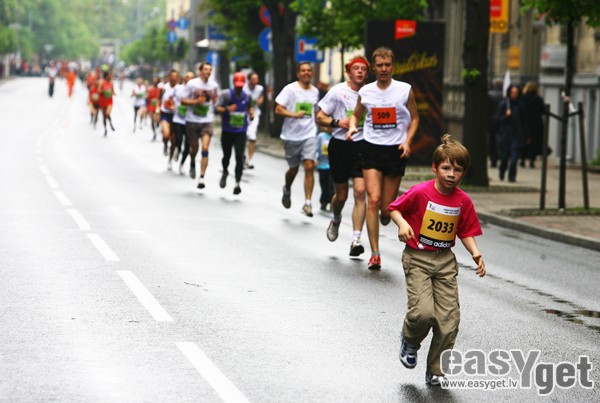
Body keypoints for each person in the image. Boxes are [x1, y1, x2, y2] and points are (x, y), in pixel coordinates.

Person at [388, 134, 486, 386]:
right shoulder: (420, 192)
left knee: (449, 319)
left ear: (463, 172)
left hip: (444, 261)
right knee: (423, 313)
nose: (451, 174)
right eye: (446, 168)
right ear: (435, 168)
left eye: (457, 170)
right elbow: (395, 208)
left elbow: (466, 231)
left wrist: (475, 253)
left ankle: (436, 369)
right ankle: (410, 340)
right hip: (417, 258)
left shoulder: (463, 200)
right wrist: (402, 224)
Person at [346, 47, 419, 270]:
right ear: (374, 68)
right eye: (380, 65)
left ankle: (384, 216)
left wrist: (407, 142)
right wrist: (352, 127)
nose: (384, 69)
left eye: (387, 65)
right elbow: (356, 115)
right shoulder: (366, 91)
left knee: (387, 209)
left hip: (395, 150)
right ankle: (375, 254)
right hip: (371, 148)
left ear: (393, 66)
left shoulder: (404, 90)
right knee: (373, 199)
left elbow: (415, 119)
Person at [317, 55, 369, 257]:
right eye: (356, 68)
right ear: (348, 72)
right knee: (341, 196)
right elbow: (319, 116)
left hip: (362, 146)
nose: (359, 71)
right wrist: (338, 123)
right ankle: (336, 218)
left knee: (360, 192)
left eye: (363, 69)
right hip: (339, 145)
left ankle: (356, 239)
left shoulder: (371, 93)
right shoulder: (337, 91)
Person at [275, 62, 320, 217]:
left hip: (309, 134)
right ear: (298, 74)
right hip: (291, 136)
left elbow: (315, 112)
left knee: (309, 166)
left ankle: (308, 203)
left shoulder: (315, 91)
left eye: (309, 70)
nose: (306, 73)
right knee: (293, 169)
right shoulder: (290, 89)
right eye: (303, 70)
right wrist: (294, 114)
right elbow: (278, 109)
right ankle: (287, 188)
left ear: (311, 73)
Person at [215, 72, 254, 195]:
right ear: (233, 84)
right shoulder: (226, 95)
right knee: (226, 156)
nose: (239, 88)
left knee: (239, 157)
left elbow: (250, 107)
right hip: (227, 131)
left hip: (240, 131)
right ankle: (225, 171)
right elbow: (216, 108)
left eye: (241, 86)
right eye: (237, 86)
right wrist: (227, 109)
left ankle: (237, 182)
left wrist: (251, 113)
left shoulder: (247, 96)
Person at [181, 62, 219, 188]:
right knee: (194, 148)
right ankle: (192, 162)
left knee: (205, 148)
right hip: (192, 120)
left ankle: (202, 177)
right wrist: (195, 101)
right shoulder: (192, 84)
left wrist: (216, 102)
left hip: (206, 121)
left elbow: (216, 99)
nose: (208, 71)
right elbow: (183, 100)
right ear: (200, 71)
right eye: (206, 69)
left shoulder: (214, 85)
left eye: (210, 69)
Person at [496, 84, 529, 182]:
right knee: (505, 157)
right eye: (512, 92)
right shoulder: (504, 104)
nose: (514, 94)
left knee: (514, 157)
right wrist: (506, 116)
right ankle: (502, 170)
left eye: (516, 92)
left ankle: (512, 176)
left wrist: (527, 134)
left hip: (516, 134)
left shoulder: (520, 105)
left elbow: (524, 121)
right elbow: (498, 119)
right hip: (505, 135)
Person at [171, 71, 195, 175]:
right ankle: (177, 148)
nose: (189, 79)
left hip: (189, 120)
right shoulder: (178, 88)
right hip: (178, 119)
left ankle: (182, 163)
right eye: (187, 77)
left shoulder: (196, 91)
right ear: (184, 79)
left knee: (188, 145)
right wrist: (171, 105)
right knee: (179, 139)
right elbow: (170, 98)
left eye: (191, 78)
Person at [242, 71, 264, 169]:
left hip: (255, 114)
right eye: (254, 79)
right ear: (249, 80)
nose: (256, 80)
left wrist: (260, 100)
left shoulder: (260, 88)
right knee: (243, 136)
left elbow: (261, 97)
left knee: (252, 136)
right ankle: (242, 156)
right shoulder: (243, 88)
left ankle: (250, 160)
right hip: (243, 114)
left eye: (257, 79)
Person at [521, 82, 545, 168]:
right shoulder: (538, 99)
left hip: (525, 122)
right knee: (535, 142)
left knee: (524, 140)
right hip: (536, 123)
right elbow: (543, 110)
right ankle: (532, 160)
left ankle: (522, 159)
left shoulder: (523, 98)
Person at [160, 69, 178, 160]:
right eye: (172, 76)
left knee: (174, 139)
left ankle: (171, 156)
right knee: (166, 134)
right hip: (165, 114)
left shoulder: (180, 88)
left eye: (175, 76)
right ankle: (165, 144)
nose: (173, 78)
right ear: (169, 77)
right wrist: (158, 110)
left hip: (176, 116)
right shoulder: (164, 87)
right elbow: (159, 98)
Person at [315, 126, 334, 211]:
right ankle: (324, 201)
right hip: (322, 165)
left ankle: (332, 202)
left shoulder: (335, 137)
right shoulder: (321, 136)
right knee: (323, 184)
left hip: (332, 166)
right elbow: (316, 148)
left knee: (331, 185)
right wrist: (315, 158)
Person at [98, 71, 116, 137]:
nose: (110, 76)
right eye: (109, 75)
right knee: (104, 116)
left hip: (109, 101)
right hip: (102, 101)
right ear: (106, 76)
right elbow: (99, 91)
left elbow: (113, 92)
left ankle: (111, 123)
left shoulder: (111, 83)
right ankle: (105, 129)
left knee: (107, 113)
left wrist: (113, 93)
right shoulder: (102, 82)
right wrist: (104, 91)